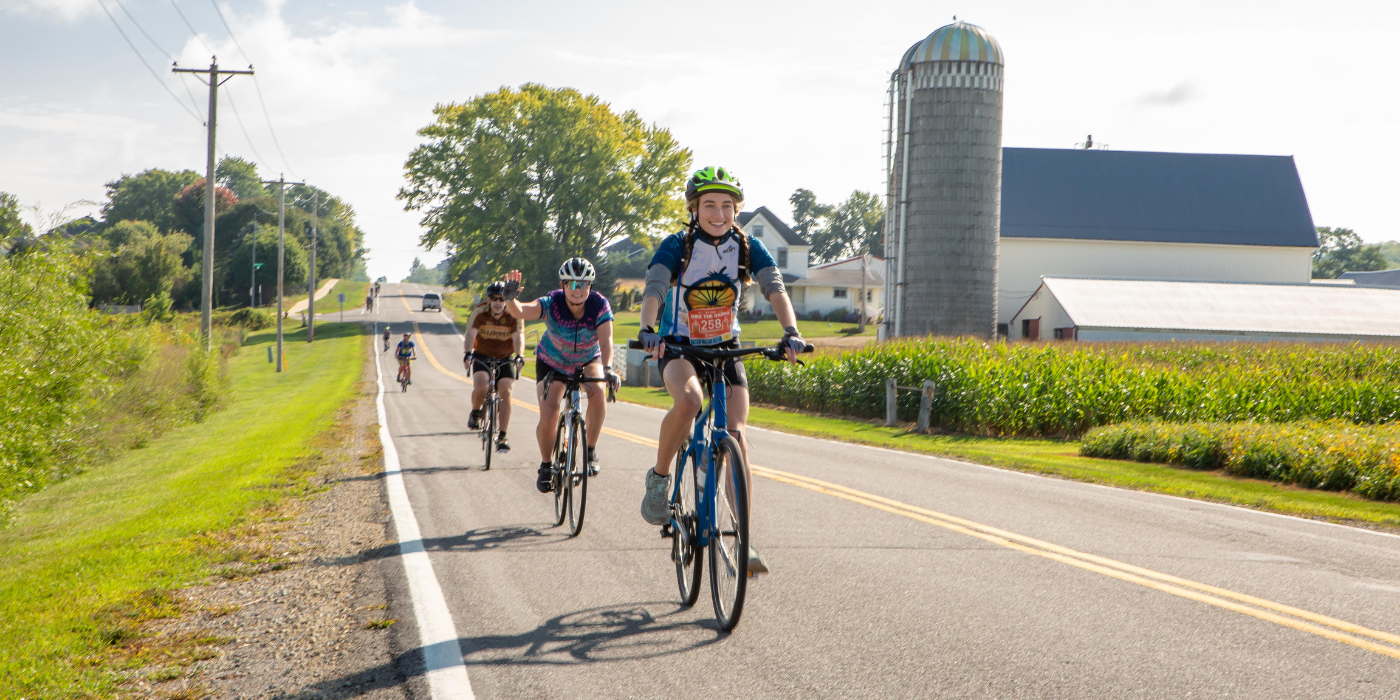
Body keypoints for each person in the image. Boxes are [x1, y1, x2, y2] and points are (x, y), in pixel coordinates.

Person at [635, 166, 805, 575]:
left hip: (726, 347)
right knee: (691, 400)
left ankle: (744, 538)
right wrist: (647, 329)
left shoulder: (747, 248)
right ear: (694, 209)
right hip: (678, 345)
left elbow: (775, 288)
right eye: (709, 204)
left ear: (736, 211)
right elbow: (655, 288)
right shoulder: (679, 244)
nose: (718, 213)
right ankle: (660, 480)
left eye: (727, 206)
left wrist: (791, 331)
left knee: (737, 436)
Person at [500, 259, 620, 492]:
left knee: (598, 392)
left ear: (590, 286)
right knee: (550, 413)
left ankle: (590, 450)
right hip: (552, 362)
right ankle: (546, 465)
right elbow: (521, 311)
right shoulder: (552, 302)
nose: (578, 289)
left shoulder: (599, 305)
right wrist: (509, 299)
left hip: (588, 359)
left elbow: (606, 341)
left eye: (584, 284)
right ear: (562, 285)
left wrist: (608, 369)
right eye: (572, 284)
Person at [464, 281, 524, 453]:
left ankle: (503, 436)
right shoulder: (479, 312)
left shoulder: (514, 313)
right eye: (494, 299)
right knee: (482, 384)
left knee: (506, 391)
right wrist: (468, 353)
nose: (498, 302)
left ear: (506, 300)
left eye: (502, 299)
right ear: (488, 299)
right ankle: (476, 412)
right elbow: (470, 334)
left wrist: (519, 356)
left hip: (505, 357)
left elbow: (518, 337)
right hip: (482, 355)